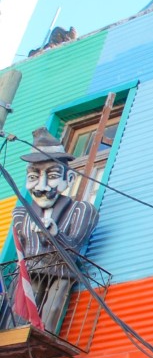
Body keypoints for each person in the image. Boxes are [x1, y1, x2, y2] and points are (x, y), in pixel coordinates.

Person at [9, 128, 99, 333]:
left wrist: (56, 234)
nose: (41, 186)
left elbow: (75, 246)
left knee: (49, 318)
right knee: (19, 318)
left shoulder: (82, 210)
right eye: (33, 176)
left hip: (60, 276)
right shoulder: (21, 214)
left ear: (69, 179)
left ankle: (45, 335)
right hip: (28, 277)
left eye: (52, 175)